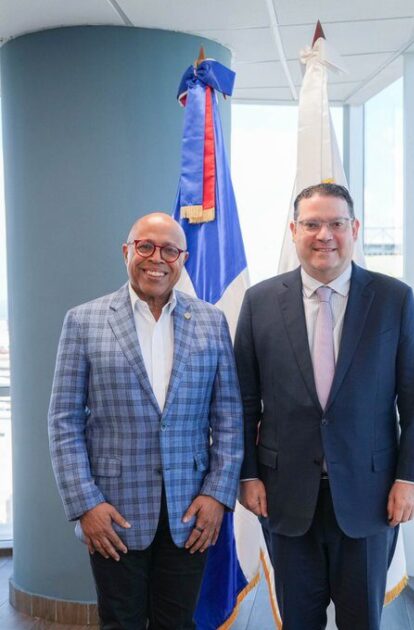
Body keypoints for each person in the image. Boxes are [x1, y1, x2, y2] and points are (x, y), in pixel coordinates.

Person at [235, 183, 414, 630]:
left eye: (336, 223)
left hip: (371, 496)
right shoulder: (259, 302)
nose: (324, 235)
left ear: (354, 229)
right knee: (299, 621)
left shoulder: (394, 300)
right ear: (294, 230)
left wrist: (409, 478)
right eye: (312, 224)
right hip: (285, 496)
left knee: (361, 621)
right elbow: (244, 401)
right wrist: (247, 474)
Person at [48, 212, 243, 630]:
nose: (157, 258)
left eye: (170, 250)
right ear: (127, 252)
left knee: (179, 623)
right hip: (112, 513)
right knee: (121, 622)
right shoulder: (83, 321)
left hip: (191, 512)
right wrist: (86, 504)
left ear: (183, 259)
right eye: (146, 246)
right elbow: (64, 421)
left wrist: (217, 495)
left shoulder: (211, 321)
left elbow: (229, 418)